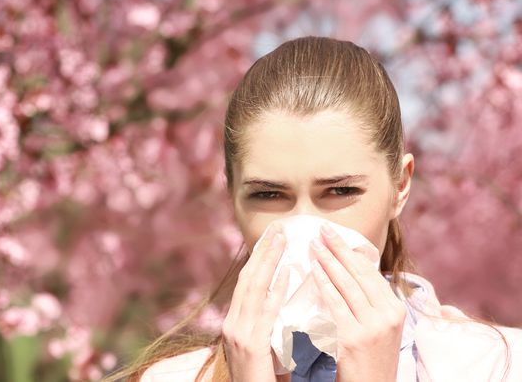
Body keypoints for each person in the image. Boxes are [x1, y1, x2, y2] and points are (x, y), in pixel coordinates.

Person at [105, 36, 522, 382]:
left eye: (340, 192)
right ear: (231, 197)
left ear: (400, 185)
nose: (305, 225)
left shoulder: (497, 366)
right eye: (269, 195)